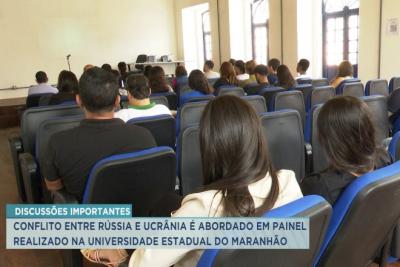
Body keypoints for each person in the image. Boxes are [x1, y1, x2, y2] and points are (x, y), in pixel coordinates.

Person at [82, 95, 303, 266]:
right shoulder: (288, 181)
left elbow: (141, 264)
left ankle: (114, 249)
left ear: (210, 146)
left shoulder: (203, 208)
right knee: (166, 202)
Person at [42, 67, 156, 202]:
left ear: (78, 101)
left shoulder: (58, 143)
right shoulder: (145, 136)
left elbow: (53, 186)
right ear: (117, 101)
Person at [301, 96, 391, 205]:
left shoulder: (318, 186)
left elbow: (300, 223)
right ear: (368, 129)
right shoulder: (384, 158)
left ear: (327, 139)